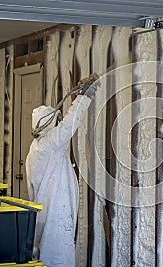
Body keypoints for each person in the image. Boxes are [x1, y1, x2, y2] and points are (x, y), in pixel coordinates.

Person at [25, 77, 98, 267]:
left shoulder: (35, 148)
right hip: (55, 215)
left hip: (42, 213)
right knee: (57, 258)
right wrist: (85, 97)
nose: (57, 124)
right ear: (48, 123)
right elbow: (69, 124)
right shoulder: (51, 144)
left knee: (43, 256)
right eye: (54, 121)